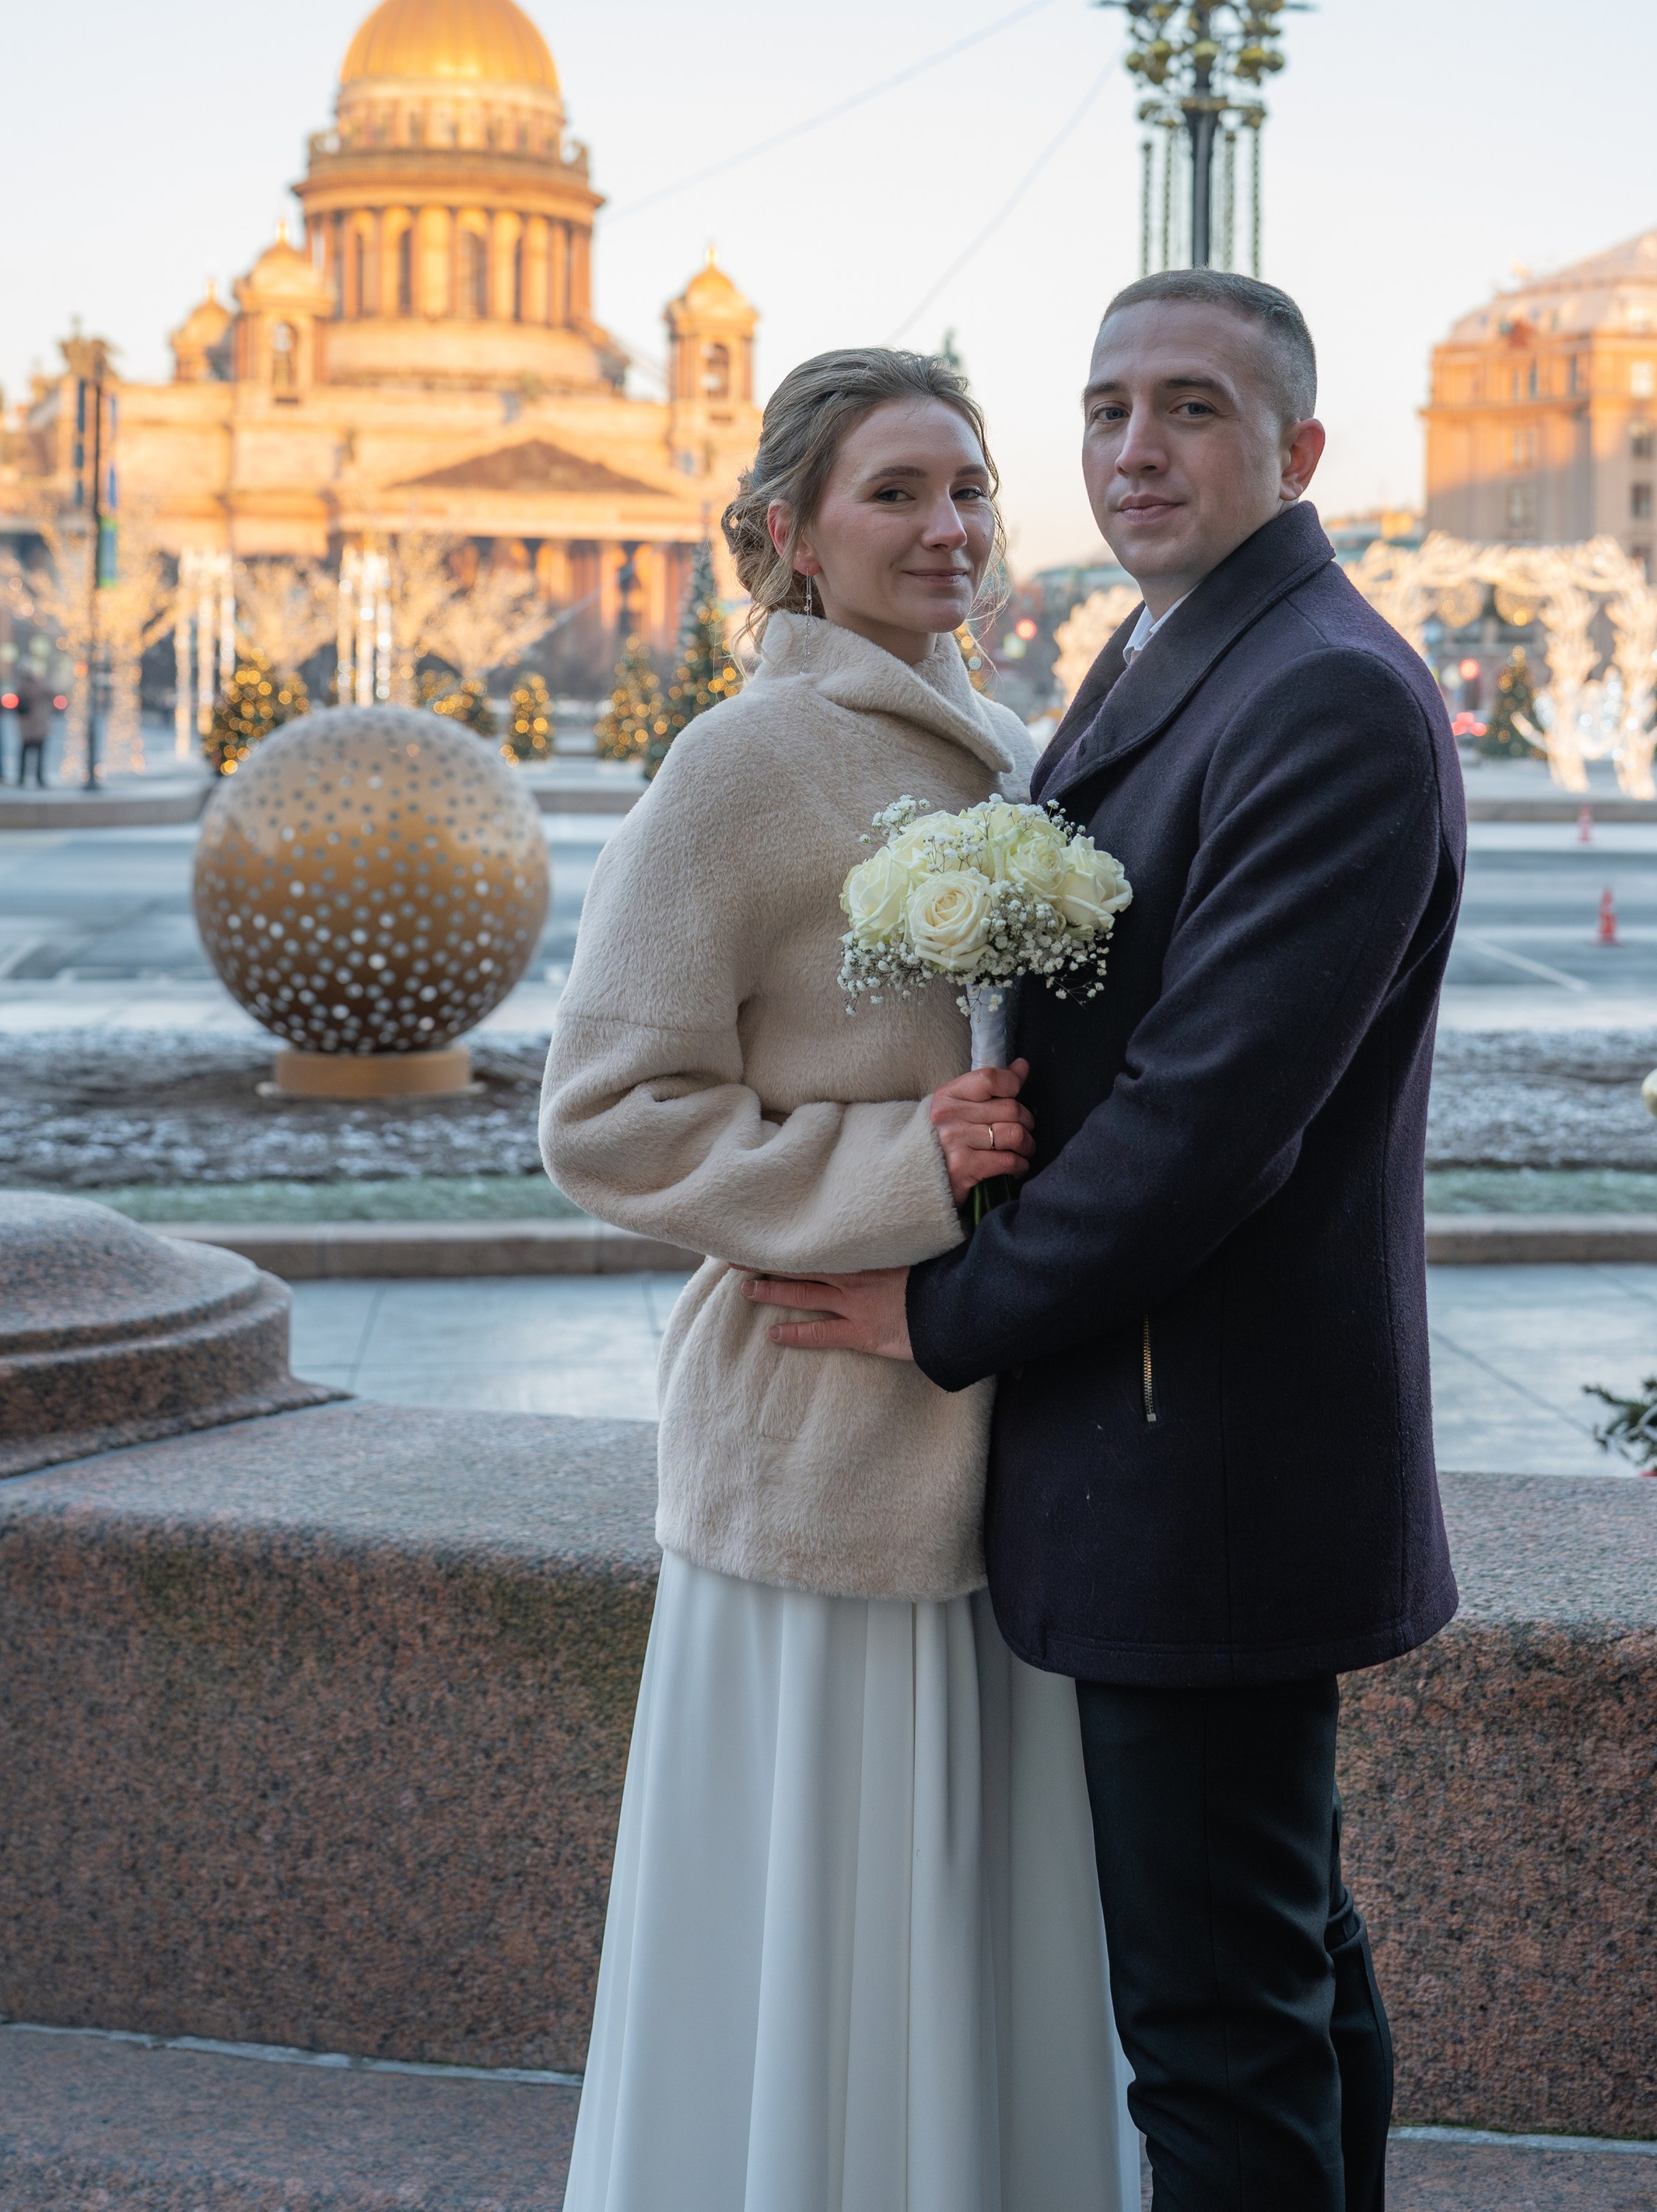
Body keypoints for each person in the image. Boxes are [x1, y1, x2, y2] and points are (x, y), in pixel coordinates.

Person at [748, 269, 1466, 2212]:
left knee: (1215, 2031)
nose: (1132, 449)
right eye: (1104, 409)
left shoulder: (1315, 687)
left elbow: (1198, 1127)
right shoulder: (1175, 649)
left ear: (1297, 449)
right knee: (1280, 1962)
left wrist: (939, 1303)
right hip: (1166, 1445)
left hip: (1202, 1454)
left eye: (1190, 409)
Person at [541, 347, 1137, 2212]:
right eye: (893, 491)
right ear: (788, 532)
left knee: (974, 1918)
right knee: (834, 1921)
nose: (946, 525)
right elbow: (606, 1112)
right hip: (818, 1441)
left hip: (986, 1437)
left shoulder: (996, 727)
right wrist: (904, 1164)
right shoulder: (739, 760)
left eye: (965, 485)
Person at [13, 671, 51, 786]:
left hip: (27, 727)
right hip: (37, 726)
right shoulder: (39, 687)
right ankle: (39, 778)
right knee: (39, 753)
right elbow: (52, 691)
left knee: (25, 753)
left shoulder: (20, 687)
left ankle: (21, 778)